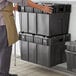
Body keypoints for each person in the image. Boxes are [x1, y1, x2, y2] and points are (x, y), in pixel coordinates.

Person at [0, 0, 52, 76]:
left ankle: (3, 72)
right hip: (3, 24)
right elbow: (23, 1)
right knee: (5, 50)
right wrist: (42, 7)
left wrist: (13, 8)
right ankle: (3, 74)